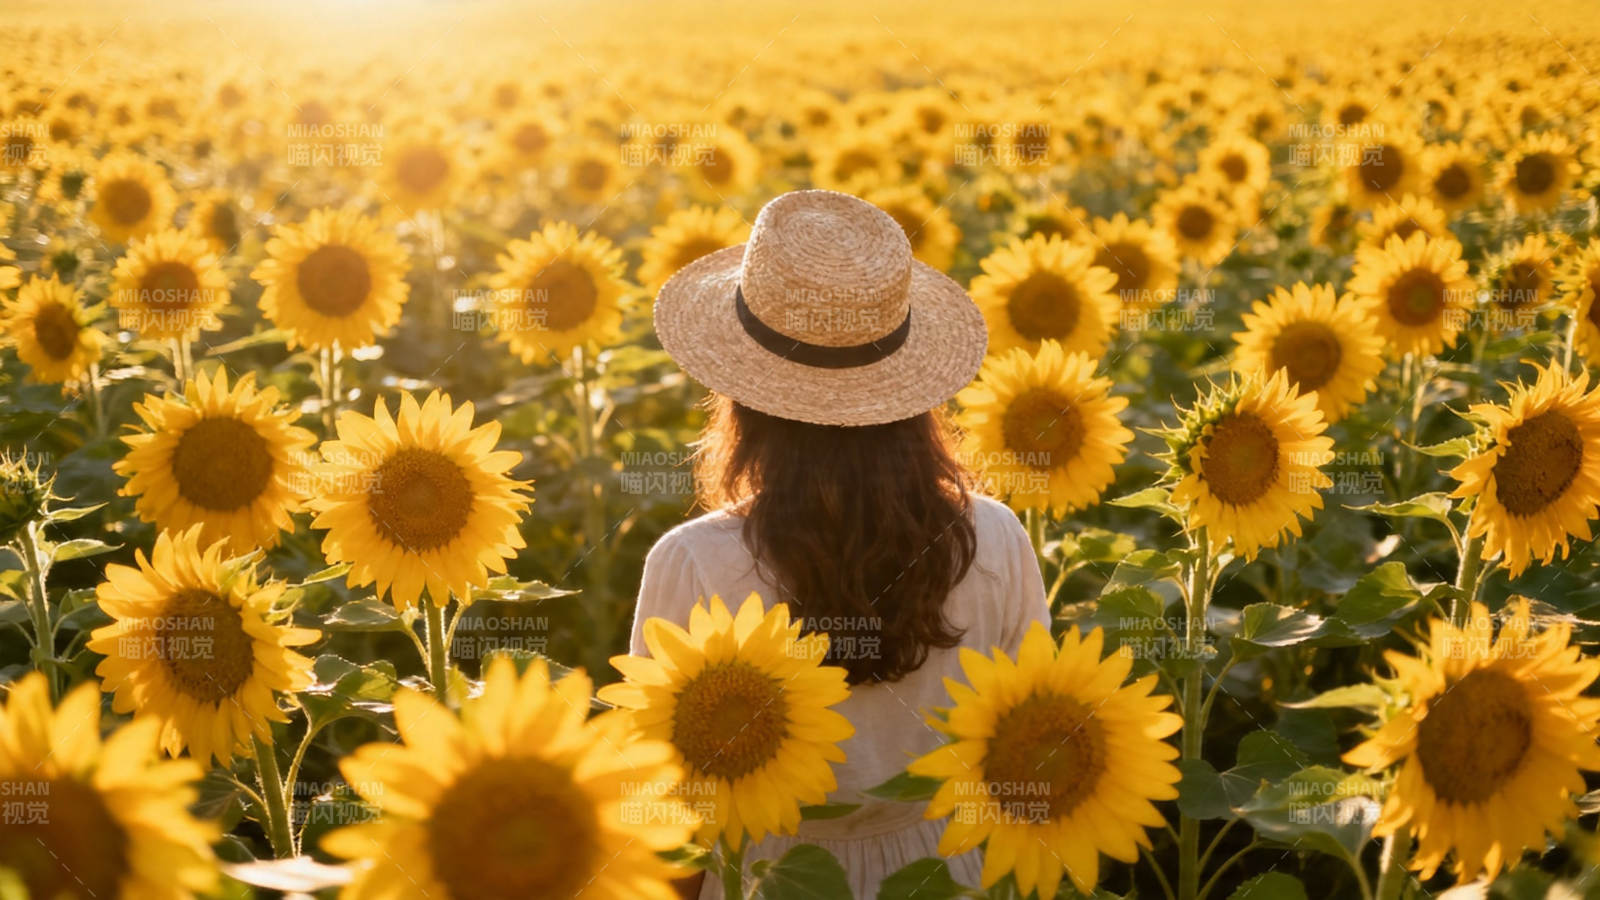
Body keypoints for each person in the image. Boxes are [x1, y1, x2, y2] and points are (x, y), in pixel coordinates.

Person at [633, 189, 1049, 899]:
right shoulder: (996, 537)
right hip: (949, 870)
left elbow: (668, 805)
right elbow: (1035, 739)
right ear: (912, 393)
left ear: (742, 396)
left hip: (764, 873)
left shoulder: (695, 561)